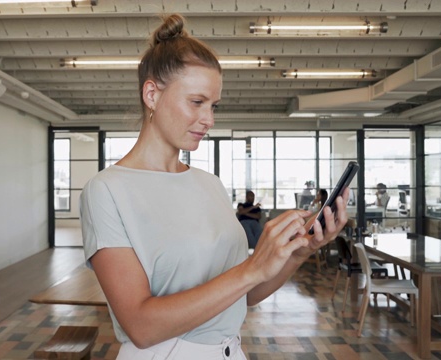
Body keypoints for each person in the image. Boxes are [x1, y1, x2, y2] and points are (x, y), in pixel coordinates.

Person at [79, 14, 349, 360]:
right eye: (196, 102)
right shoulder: (106, 191)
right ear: (151, 94)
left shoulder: (210, 185)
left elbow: (244, 293)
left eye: (213, 106)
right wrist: (251, 268)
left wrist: (301, 250)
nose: (209, 119)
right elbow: (141, 326)